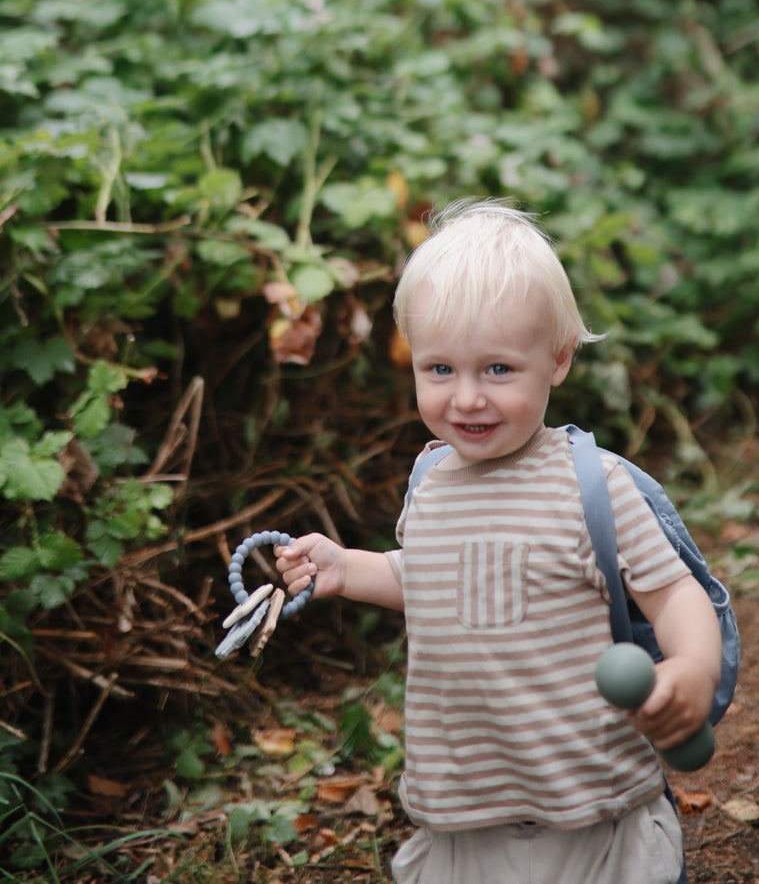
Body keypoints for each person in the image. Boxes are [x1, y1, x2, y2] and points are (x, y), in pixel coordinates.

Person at [275, 198, 722, 884]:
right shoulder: (429, 479)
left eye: (498, 370)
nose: (467, 399)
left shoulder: (591, 484)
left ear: (558, 358)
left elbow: (673, 592)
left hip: (593, 813)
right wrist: (346, 566)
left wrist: (692, 667)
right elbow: (425, 575)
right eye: (441, 370)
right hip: (463, 817)